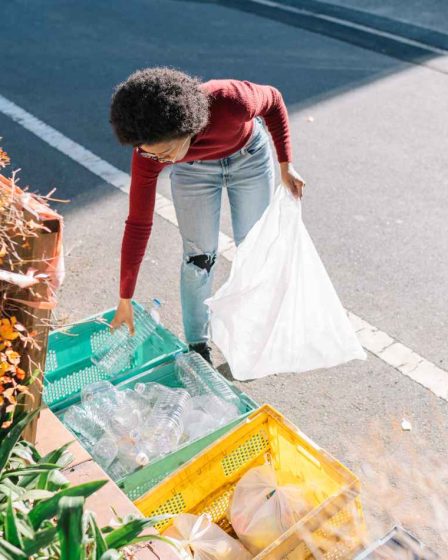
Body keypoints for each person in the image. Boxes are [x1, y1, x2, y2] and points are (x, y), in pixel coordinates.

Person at [109, 67, 305, 365]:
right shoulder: (148, 155)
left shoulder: (231, 100)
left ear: (185, 128)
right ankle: (198, 345)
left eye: (165, 153)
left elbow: (274, 100)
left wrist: (285, 164)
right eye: (152, 155)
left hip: (248, 158)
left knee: (254, 249)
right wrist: (125, 297)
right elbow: (138, 224)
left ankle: (256, 333)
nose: (159, 161)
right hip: (193, 171)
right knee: (198, 258)